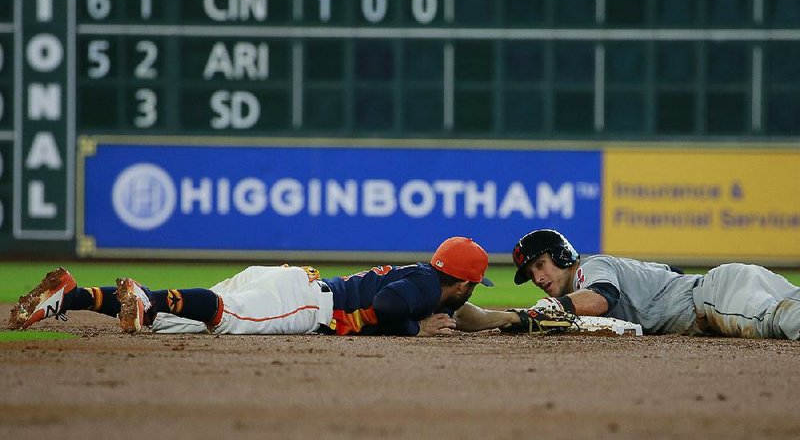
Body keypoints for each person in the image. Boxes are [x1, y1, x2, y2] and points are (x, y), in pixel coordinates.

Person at [8, 237, 520, 337]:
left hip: (292, 279)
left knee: (172, 322)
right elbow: (389, 306)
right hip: (307, 303)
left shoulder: (423, 273)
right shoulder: (427, 290)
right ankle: (144, 296)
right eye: (476, 286)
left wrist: (512, 320)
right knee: (222, 315)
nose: (475, 293)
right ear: (465, 282)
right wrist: (415, 329)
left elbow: (465, 314)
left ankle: (73, 297)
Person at [511, 228, 800, 339]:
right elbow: (671, 270)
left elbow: (602, 298)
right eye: (531, 273)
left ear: (562, 256)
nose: (538, 278)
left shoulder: (589, 268)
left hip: (718, 297)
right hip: (725, 286)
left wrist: (547, 308)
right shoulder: (608, 266)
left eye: (540, 264)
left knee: (777, 321)